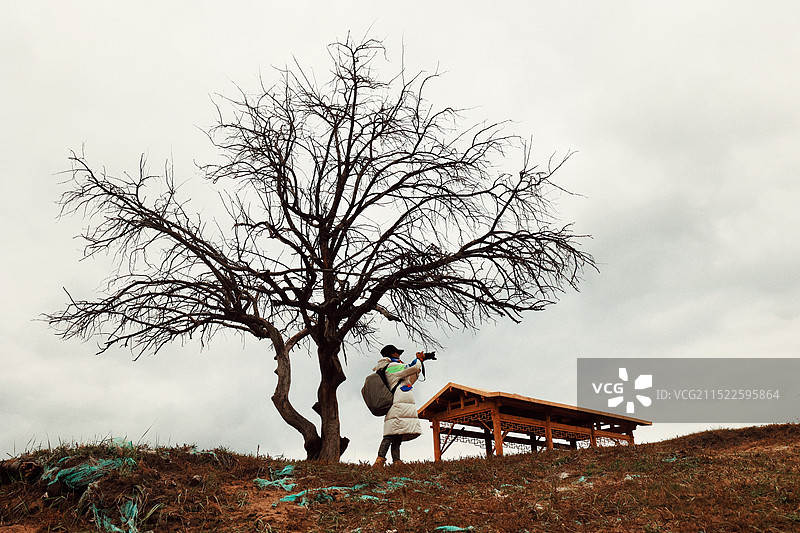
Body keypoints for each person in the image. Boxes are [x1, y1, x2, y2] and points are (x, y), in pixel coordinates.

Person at [373, 344, 426, 466]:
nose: (399, 354)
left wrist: (421, 363)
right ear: (392, 354)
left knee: (397, 434)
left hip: (400, 404)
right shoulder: (391, 366)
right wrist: (418, 359)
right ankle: (380, 459)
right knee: (390, 434)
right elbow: (412, 367)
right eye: (397, 352)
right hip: (397, 404)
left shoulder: (394, 368)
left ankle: (396, 461)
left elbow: (411, 378)